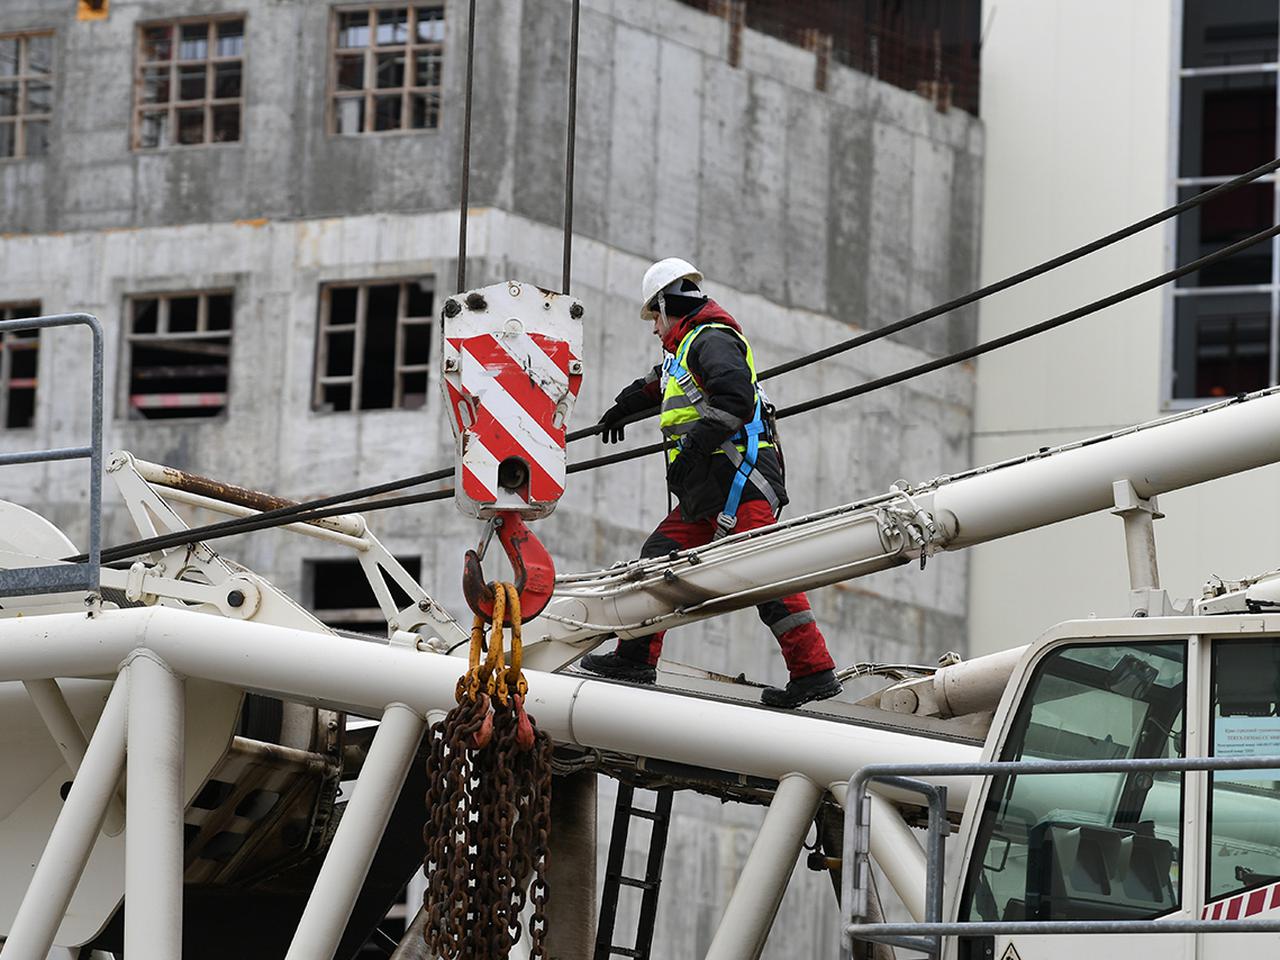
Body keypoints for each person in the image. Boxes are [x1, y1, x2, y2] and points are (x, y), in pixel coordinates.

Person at [579, 257, 843, 709]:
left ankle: (814, 672)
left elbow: (735, 400)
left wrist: (697, 446)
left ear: (667, 305)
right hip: (708, 492)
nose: (653, 328)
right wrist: (622, 407)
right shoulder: (686, 350)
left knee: (766, 579)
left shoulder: (713, 340)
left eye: (654, 317)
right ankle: (635, 657)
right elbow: (658, 383)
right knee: (656, 561)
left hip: (739, 483)